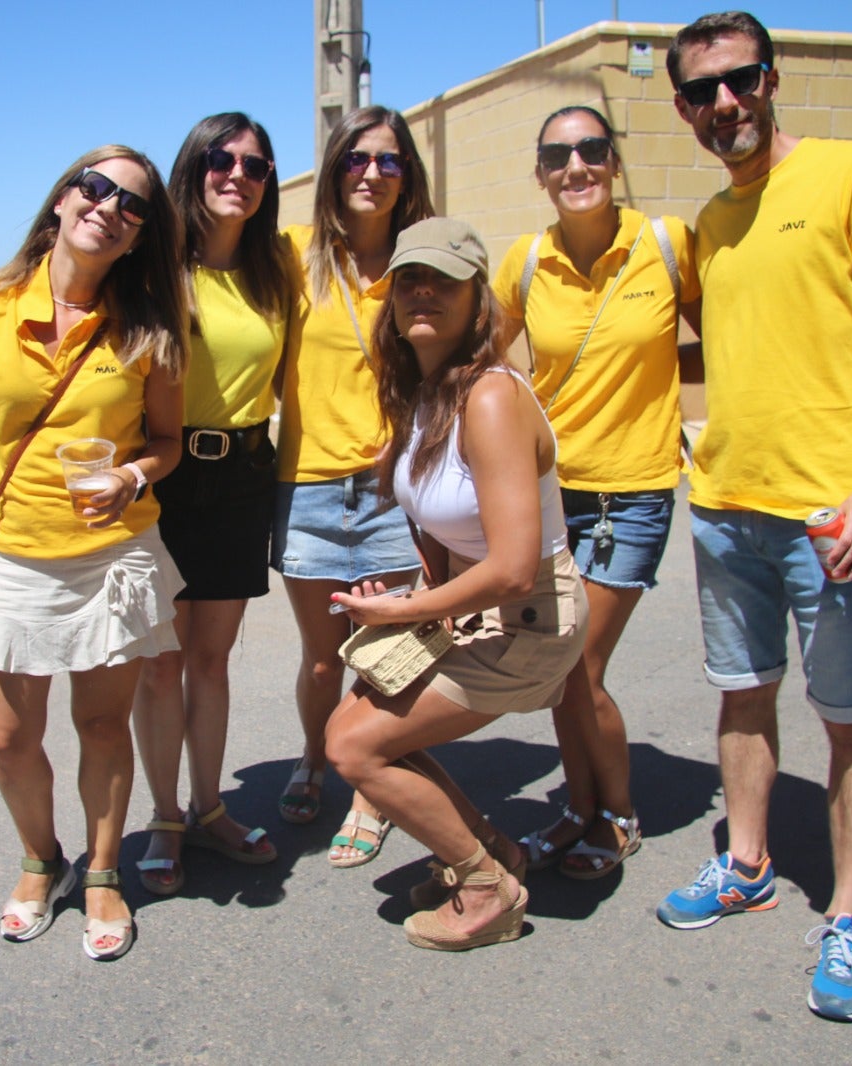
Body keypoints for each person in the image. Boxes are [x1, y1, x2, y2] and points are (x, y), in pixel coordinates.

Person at [656, 12, 852, 1023]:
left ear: (771, 78)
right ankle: (748, 861)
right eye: (700, 92)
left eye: (739, 80)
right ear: (681, 106)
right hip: (726, 506)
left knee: (850, 714)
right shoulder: (709, 224)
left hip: (830, 513)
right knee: (742, 695)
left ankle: (848, 914)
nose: (723, 104)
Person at [0, 146, 189, 962]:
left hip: (110, 554)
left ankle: (103, 871)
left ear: (142, 234)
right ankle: (42, 859)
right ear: (63, 198)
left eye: (131, 204)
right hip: (9, 555)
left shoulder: (150, 327)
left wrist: (134, 475)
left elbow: (169, 442)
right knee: (10, 738)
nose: (107, 206)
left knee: (103, 723)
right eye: (94, 187)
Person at [322, 217, 588, 950]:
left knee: (357, 752)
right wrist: (415, 609)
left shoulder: (492, 397)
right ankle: (497, 853)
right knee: (350, 732)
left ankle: (484, 888)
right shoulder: (424, 390)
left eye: (445, 280)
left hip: (528, 620)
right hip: (476, 611)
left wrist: (408, 607)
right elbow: (433, 520)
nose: (424, 293)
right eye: (410, 279)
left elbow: (509, 566)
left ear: (479, 302)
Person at [490, 106, 702, 879]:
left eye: (591, 150)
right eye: (558, 155)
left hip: (633, 492)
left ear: (613, 161)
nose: (576, 166)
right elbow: (487, 357)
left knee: (579, 665)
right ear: (540, 172)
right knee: (554, 664)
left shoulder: (668, 246)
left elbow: (728, 337)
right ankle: (577, 808)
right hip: (552, 492)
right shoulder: (525, 260)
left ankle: (616, 814)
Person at [128, 113, 292, 894]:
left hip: (242, 480)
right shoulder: (153, 266)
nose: (238, 175)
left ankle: (209, 806)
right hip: (161, 477)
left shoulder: (277, 271)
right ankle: (164, 817)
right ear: (192, 170)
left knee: (210, 661)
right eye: (221, 160)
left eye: (256, 166)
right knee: (160, 667)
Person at [272, 106, 436, 869]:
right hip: (304, 489)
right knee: (320, 658)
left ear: (408, 178)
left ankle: (372, 790)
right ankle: (313, 755)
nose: (372, 173)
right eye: (356, 160)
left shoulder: (422, 264)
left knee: (387, 653)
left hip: (392, 494)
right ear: (335, 171)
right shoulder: (290, 256)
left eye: (390, 161)